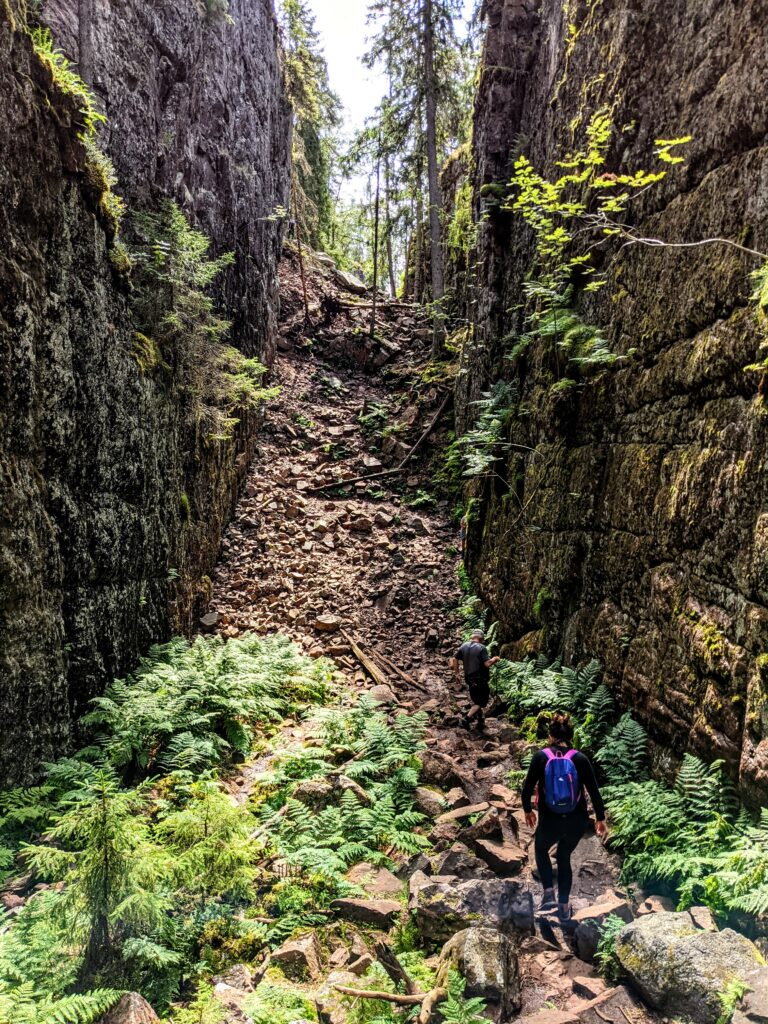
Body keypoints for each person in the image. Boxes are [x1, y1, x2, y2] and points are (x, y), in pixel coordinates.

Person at [521, 711, 608, 921]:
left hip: (550, 819)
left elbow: (527, 789)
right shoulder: (580, 759)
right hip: (576, 820)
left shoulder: (541, 757)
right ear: (571, 736)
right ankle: (564, 906)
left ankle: (548, 894)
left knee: (541, 849)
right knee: (563, 855)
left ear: (550, 736)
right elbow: (594, 792)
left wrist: (527, 810)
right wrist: (600, 818)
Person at [451, 629, 500, 731]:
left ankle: (480, 721)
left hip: (469, 678)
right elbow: (487, 664)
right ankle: (466, 719)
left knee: (476, 700)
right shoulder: (481, 648)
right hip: (480, 679)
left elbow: (455, 659)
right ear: (481, 638)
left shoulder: (464, 646)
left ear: (472, 636)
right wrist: (495, 659)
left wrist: (457, 673)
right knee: (481, 702)